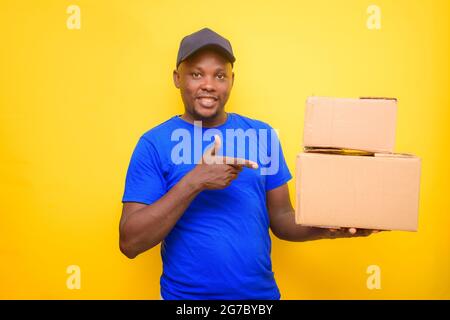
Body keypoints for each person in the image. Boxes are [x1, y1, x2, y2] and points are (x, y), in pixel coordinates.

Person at [119, 27, 379, 300]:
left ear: (232, 80)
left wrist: (330, 228)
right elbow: (130, 242)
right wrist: (195, 180)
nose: (208, 84)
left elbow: (281, 219)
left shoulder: (261, 135)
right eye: (196, 74)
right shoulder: (153, 143)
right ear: (177, 78)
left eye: (220, 75)